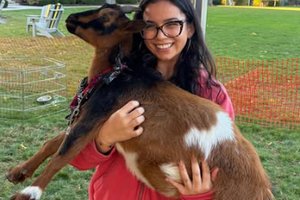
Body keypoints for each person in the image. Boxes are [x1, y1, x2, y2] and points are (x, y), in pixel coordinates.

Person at [70, 0, 235, 199]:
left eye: (172, 24)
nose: (160, 35)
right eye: (150, 26)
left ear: (190, 28)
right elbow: (76, 158)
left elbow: (224, 172)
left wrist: (198, 195)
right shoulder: (114, 78)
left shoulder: (211, 94)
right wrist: (104, 138)